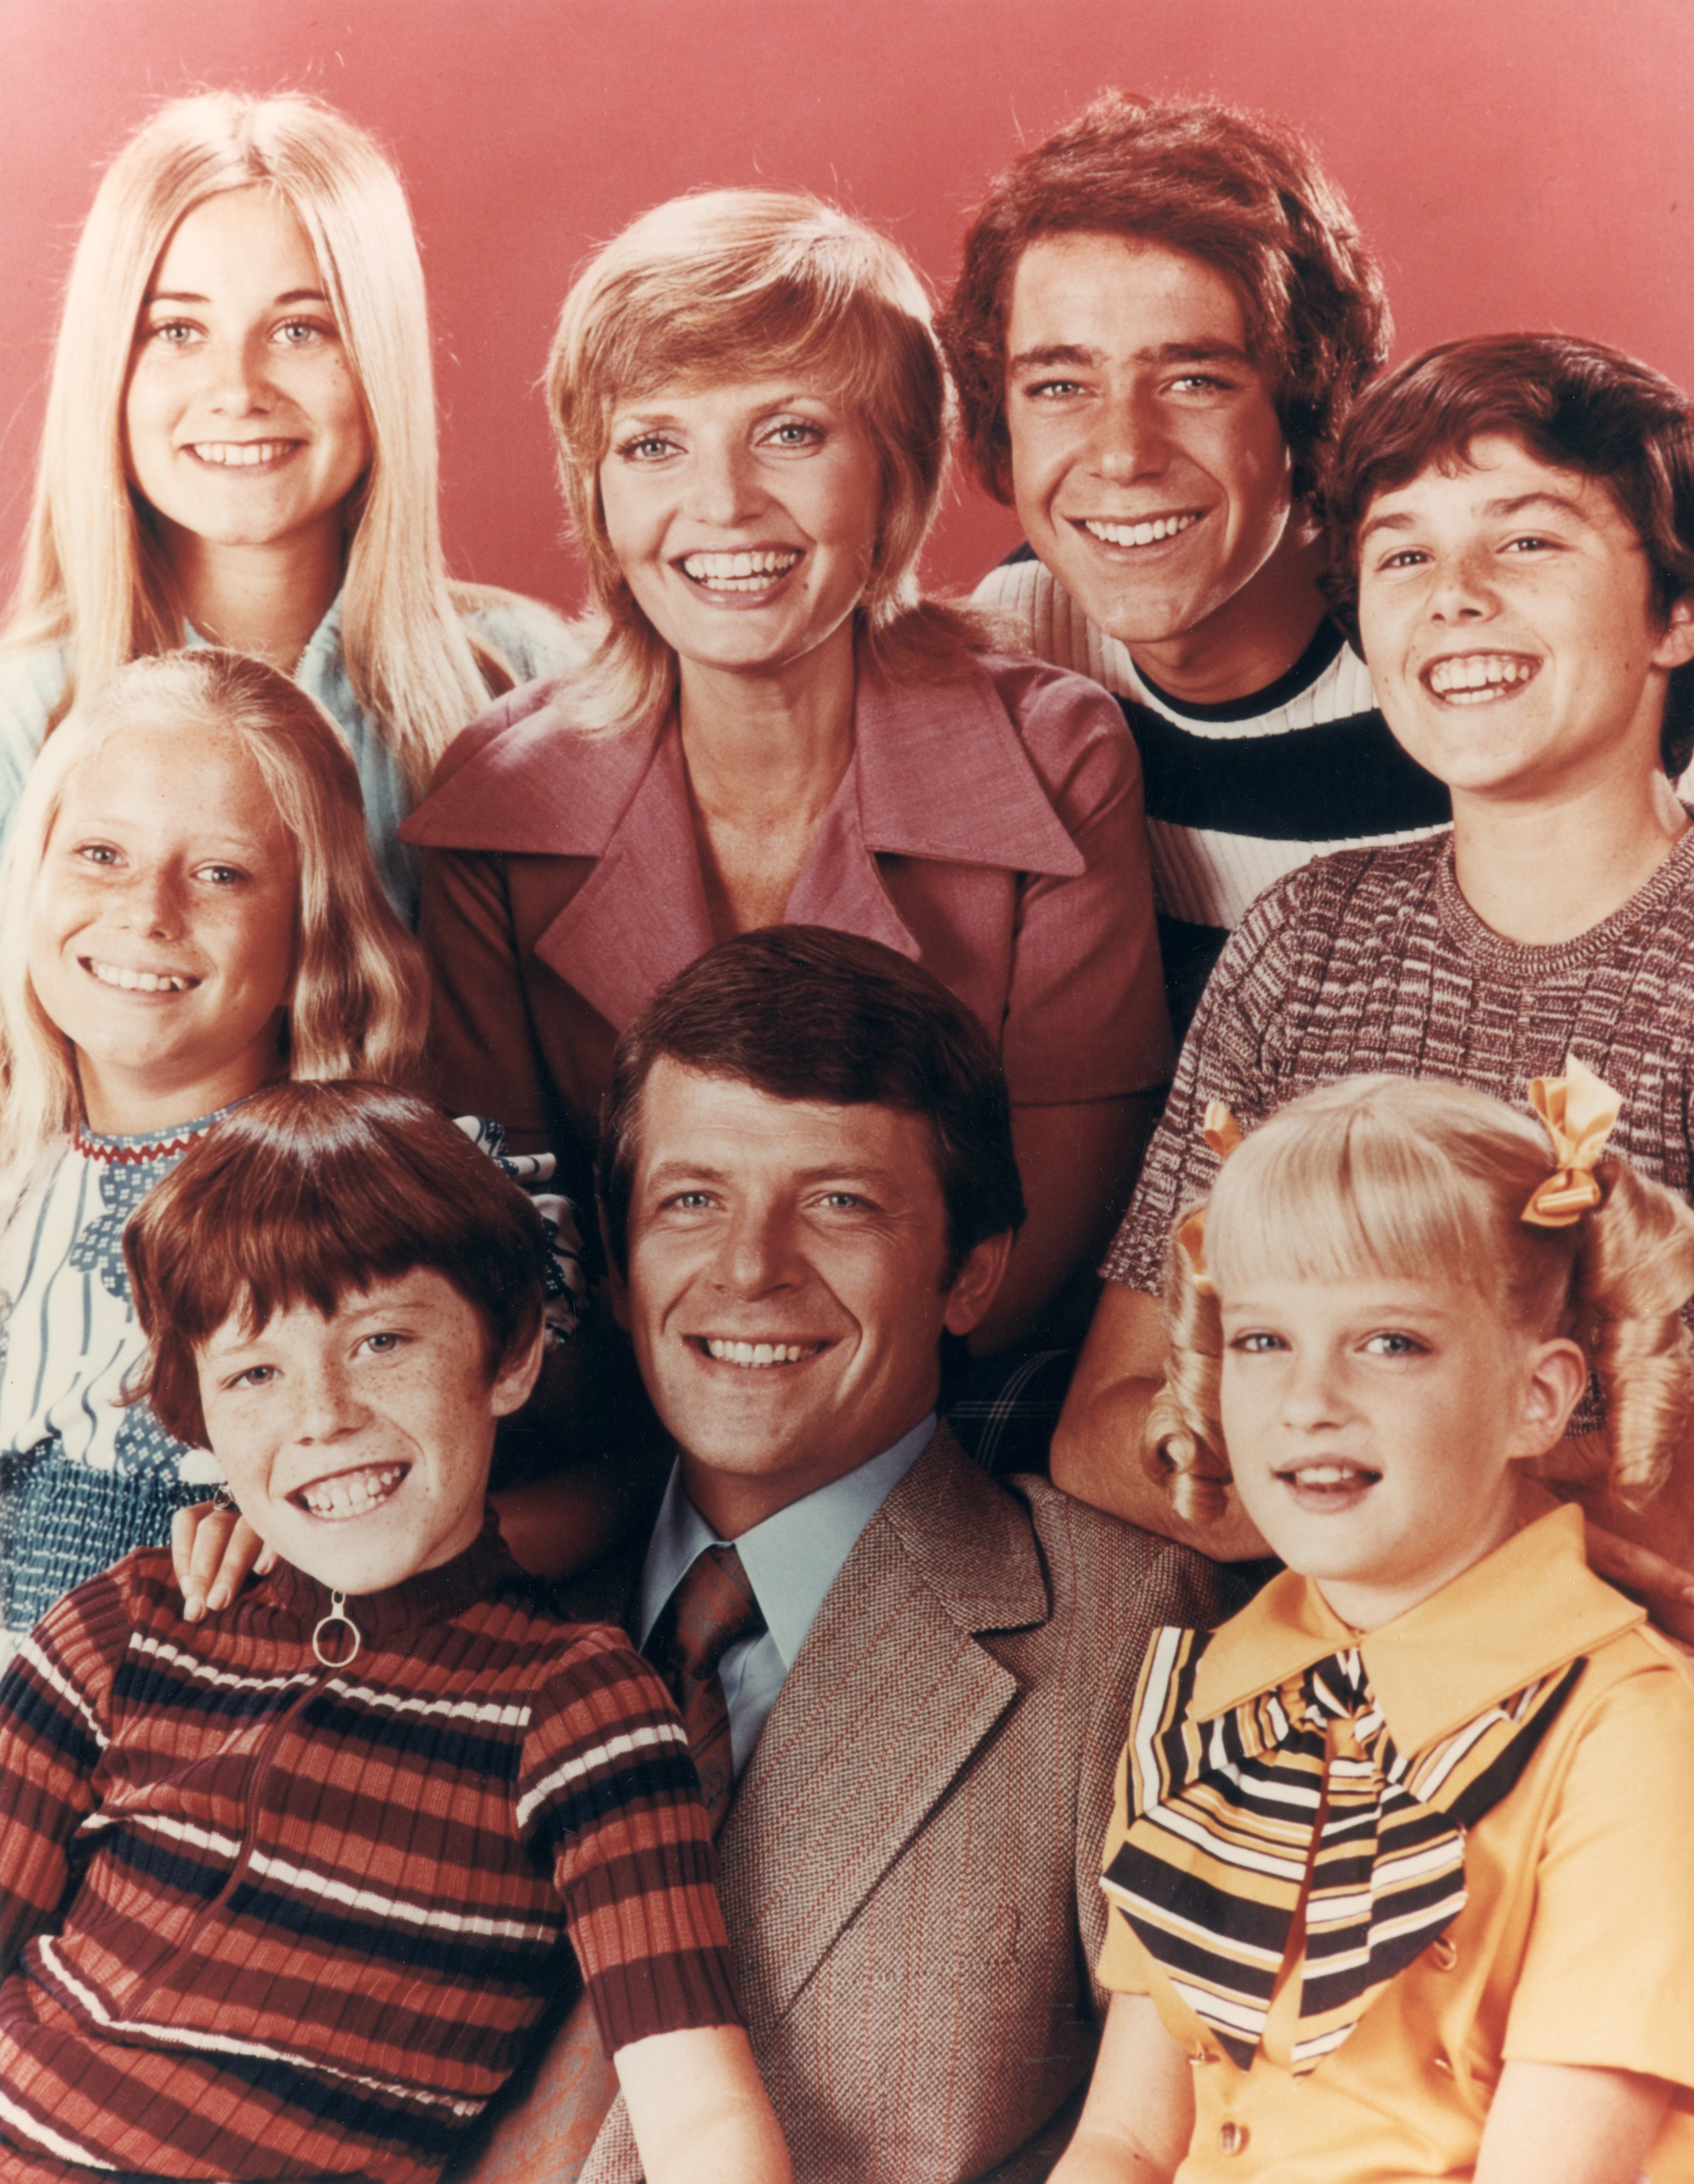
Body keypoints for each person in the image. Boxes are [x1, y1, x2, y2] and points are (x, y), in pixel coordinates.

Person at [459, 925, 1239, 2184]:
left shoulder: (1136, 1629)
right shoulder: (478, 1582)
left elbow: (1198, 2134)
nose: (750, 1267)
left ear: (970, 1272)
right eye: (691, 1200)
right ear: (612, 1265)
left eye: (837, 1202)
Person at [404, 188, 1171, 1354]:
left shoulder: (1056, 758)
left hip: (944, 1412)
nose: (722, 504)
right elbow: (514, 1231)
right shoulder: (501, 799)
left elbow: (1038, 1236)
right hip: (610, 1421)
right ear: (598, 498)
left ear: (897, 475)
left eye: (791, 432)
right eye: (654, 445)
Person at [0, 1080, 791, 2184]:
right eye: (256, 1373)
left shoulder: (574, 1706)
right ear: (196, 1418)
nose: (323, 1415)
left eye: (380, 1342)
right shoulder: (124, 1628)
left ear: (507, 1359)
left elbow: (700, 2117)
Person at [1054, 333, 1694, 1629]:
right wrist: (1376, 1536)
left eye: (1524, 540)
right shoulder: (1308, 937)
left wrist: (1352, 1501)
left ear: (1673, 612)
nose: (1449, 595)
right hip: (1314, 1670)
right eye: (1401, 553)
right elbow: (1109, 1423)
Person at [1051, 1071, 1694, 2182]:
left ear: (1536, 1397)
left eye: (1389, 1342)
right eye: (1262, 1341)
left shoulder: (1634, 1733)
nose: (1308, 1401)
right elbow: (1126, 2137)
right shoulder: (1216, 1694)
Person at [0, 90, 578, 922]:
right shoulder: (22, 722)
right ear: (109, 371)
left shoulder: (531, 682)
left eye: (301, 329)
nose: (238, 391)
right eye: (177, 331)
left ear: (378, 357)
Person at [939, 91, 1451, 1029]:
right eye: (1059, 385)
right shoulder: (1017, 641)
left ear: (1309, 404)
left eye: (1193, 380)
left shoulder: (1459, 641)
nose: (1122, 453)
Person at [0, 647, 428, 1648]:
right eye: (102, 855)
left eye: (221, 873)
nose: (149, 913)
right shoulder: (19, 1177)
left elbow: (595, 1488)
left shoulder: (368, 1199)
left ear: (310, 929)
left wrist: (321, 1533)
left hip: (187, 1739)